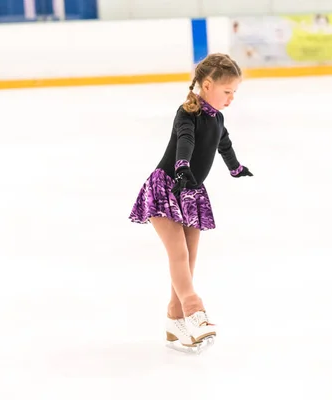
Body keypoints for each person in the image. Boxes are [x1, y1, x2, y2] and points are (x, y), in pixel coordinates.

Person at [129, 53, 253, 350]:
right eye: (227, 92)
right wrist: (182, 165)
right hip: (166, 188)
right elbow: (186, 139)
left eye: (234, 93)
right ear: (207, 85)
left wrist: (235, 167)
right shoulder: (187, 112)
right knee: (179, 254)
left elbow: (223, 144)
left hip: (192, 192)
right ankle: (194, 309)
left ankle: (174, 320)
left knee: (190, 257)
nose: (231, 98)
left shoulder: (218, 118)